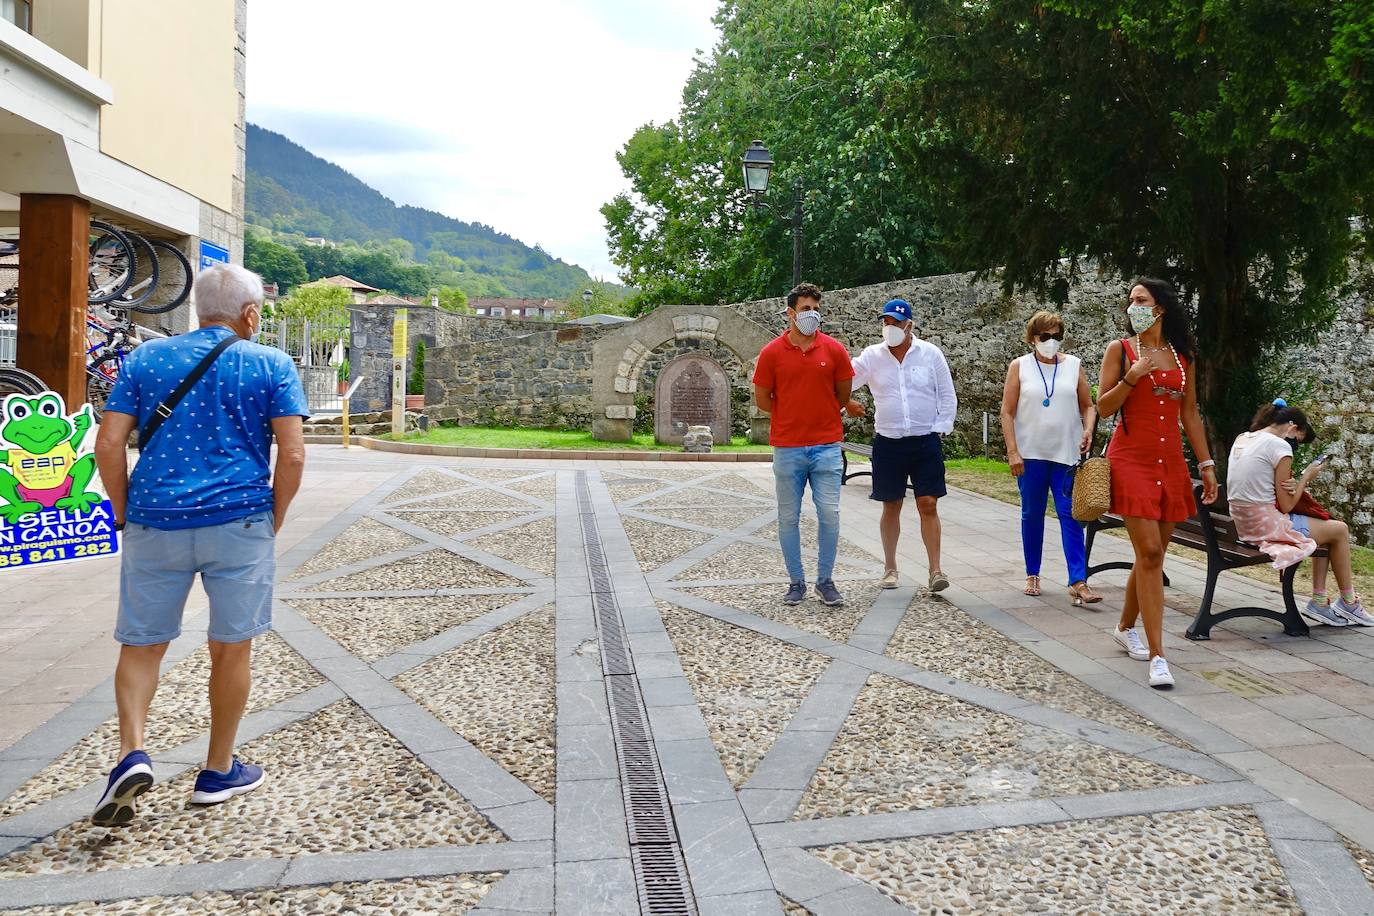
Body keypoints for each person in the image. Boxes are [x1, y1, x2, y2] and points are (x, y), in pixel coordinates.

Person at [91, 264, 308, 826]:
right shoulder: (271, 363)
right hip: (238, 522)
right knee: (230, 647)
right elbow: (293, 454)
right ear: (251, 314)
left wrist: (121, 510)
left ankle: (131, 753)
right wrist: (275, 516)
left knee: (142, 645)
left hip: (154, 522)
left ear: (196, 310)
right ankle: (217, 771)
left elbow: (109, 442)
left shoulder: (145, 359)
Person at [1096, 278, 1218, 689]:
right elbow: (1103, 407)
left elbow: (1191, 415)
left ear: (1160, 307)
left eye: (1142, 300)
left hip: (1170, 465)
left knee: (1153, 556)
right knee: (1149, 551)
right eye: (1131, 300)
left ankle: (1125, 625)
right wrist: (1132, 377)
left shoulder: (1183, 357)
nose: (1134, 307)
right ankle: (1158, 655)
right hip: (1130, 459)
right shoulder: (1122, 350)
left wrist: (1205, 464)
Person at [844, 298, 956, 592]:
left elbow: (946, 393)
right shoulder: (872, 356)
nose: (890, 327)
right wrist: (845, 400)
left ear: (910, 325)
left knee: (928, 503)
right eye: (886, 322)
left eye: (896, 322)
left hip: (924, 441)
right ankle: (890, 567)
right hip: (889, 442)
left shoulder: (930, 354)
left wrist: (941, 428)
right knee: (891, 504)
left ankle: (935, 570)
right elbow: (844, 380)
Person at [753, 282, 854, 606]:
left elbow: (842, 394)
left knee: (829, 514)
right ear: (791, 313)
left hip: (826, 446)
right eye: (805, 308)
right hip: (788, 447)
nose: (812, 314)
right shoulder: (771, 353)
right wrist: (792, 414)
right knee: (788, 517)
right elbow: (763, 400)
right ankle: (796, 582)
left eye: (815, 308)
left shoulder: (834, 350)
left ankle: (825, 580)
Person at [1229, 400, 1371, 626]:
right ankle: (1348, 602)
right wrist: (1306, 477)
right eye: (1297, 441)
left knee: (1324, 532)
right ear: (1292, 428)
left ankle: (1320, 602)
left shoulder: (1244, 438)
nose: (1293, 446)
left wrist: (1293, 484)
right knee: (1340, 530)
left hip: (1241, 525)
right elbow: (1286, 506)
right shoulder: (1279, 446)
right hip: (1266, 528)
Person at [999, 310, 1101, 605]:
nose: (1052, 341)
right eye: (1045, 336)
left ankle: (1078, 580)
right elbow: (1007, 411)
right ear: (1033, 338)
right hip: (1030, 453)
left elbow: (1088, 405)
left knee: (1071, 514)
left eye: (1057, 336)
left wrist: (1088, 429)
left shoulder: (1073, 366)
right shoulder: (1020, 366)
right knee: (1032, 514)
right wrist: (1012, 451)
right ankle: (1033, 572)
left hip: (1066, 453)